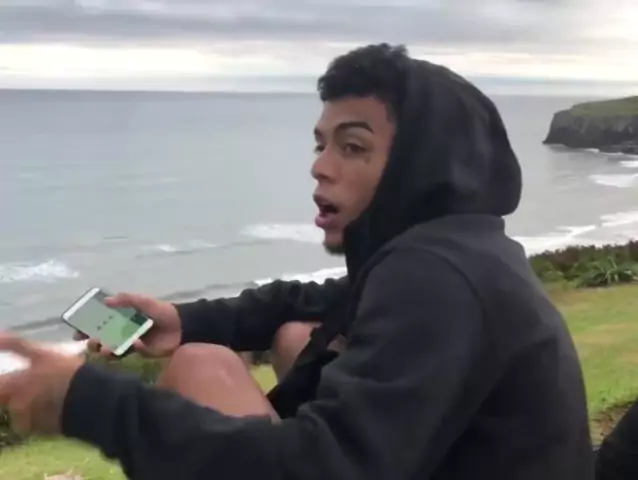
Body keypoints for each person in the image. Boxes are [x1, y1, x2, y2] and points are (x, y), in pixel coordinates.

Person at [0, 43, 594, 479]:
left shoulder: (439, 279)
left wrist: (88, 403)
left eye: (353, 147)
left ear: (420, 165)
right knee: (289, 334)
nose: (320, 166)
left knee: (202, 368)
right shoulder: (454, 250)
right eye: (322, 143)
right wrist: (187, 321)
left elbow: (322, 468)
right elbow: (312, 300)